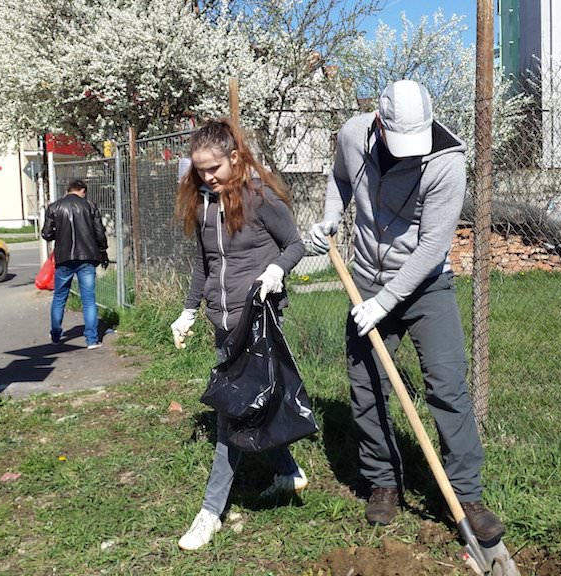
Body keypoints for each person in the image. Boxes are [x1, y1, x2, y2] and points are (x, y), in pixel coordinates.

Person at [308, 80, 507, 542]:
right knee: (366, 384)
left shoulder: (447, 162)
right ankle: (383, 482)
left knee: (447, 384)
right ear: (379, 122)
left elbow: (434, 243)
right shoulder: (353, 135)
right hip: (364, 278)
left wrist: (386, 301)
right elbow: (339, 179)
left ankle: (466, 496)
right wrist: (330, 218)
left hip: (425, 285)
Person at [170, 120, 308, 551]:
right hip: (223, 322)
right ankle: (288, 471)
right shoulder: (204, 204)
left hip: (259, 319)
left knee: (230, 412)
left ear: (234, 158)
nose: (206, 177)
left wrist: (276, 270)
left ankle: (210, 512)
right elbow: (203, 263)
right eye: (199, 170)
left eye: (213, 168)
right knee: (252, 401)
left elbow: (296, 245)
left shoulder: (260, 196)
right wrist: (189, 311)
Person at [41, 179, 109, 349]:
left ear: (68, 190)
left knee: (59, 297)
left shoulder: (54, 207)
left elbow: (46, 234)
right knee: (89, 300)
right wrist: (103, 250)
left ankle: (56, 334)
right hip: (87, 257)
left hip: (64, 258)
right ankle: (92, 340)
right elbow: (99, 232)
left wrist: (59, 234)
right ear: (83, 190)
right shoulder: (90, 206)